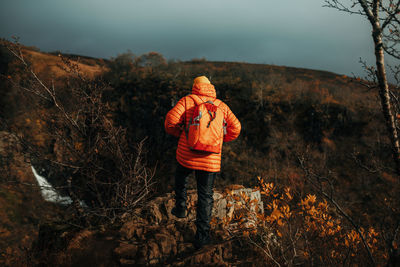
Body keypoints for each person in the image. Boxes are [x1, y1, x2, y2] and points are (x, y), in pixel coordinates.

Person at [164, 76, 241, 249]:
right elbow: (236, 128)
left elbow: (170, 122)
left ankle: (181, 207)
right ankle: (202, 237)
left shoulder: (187, 100)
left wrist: (183, 135)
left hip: (187, 153)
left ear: (195, 87)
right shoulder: (221, 105)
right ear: (210, 87)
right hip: (211, 158)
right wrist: (219, 139)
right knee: (205, 196)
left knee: (181, 176)